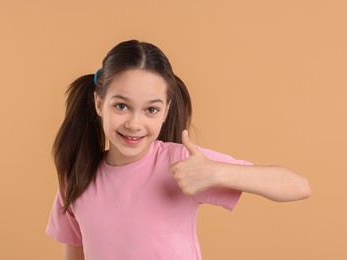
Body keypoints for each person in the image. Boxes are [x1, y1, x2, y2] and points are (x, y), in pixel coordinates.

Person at [46, 39, 311, 260]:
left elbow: (298, 186)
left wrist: (217, 173)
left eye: (151, 109)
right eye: (121, 106)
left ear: (166, 111)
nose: (134, 123)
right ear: (98, 103)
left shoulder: (181, 163)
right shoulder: (77, 177)